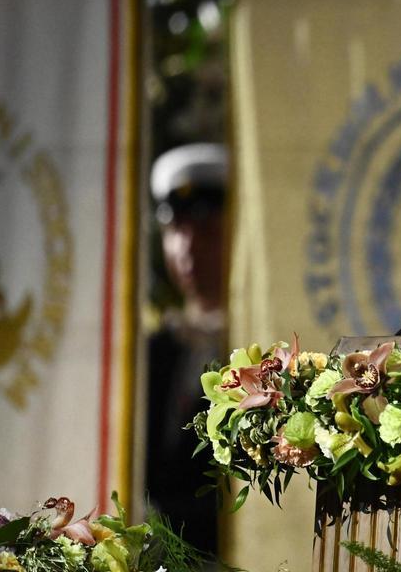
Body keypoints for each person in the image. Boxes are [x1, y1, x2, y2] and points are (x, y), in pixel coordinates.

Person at [145, 142, 229, 555]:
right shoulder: (150, 349)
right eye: (176, 231)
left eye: (207, 232)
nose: (188, 249)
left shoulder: (265, 346)